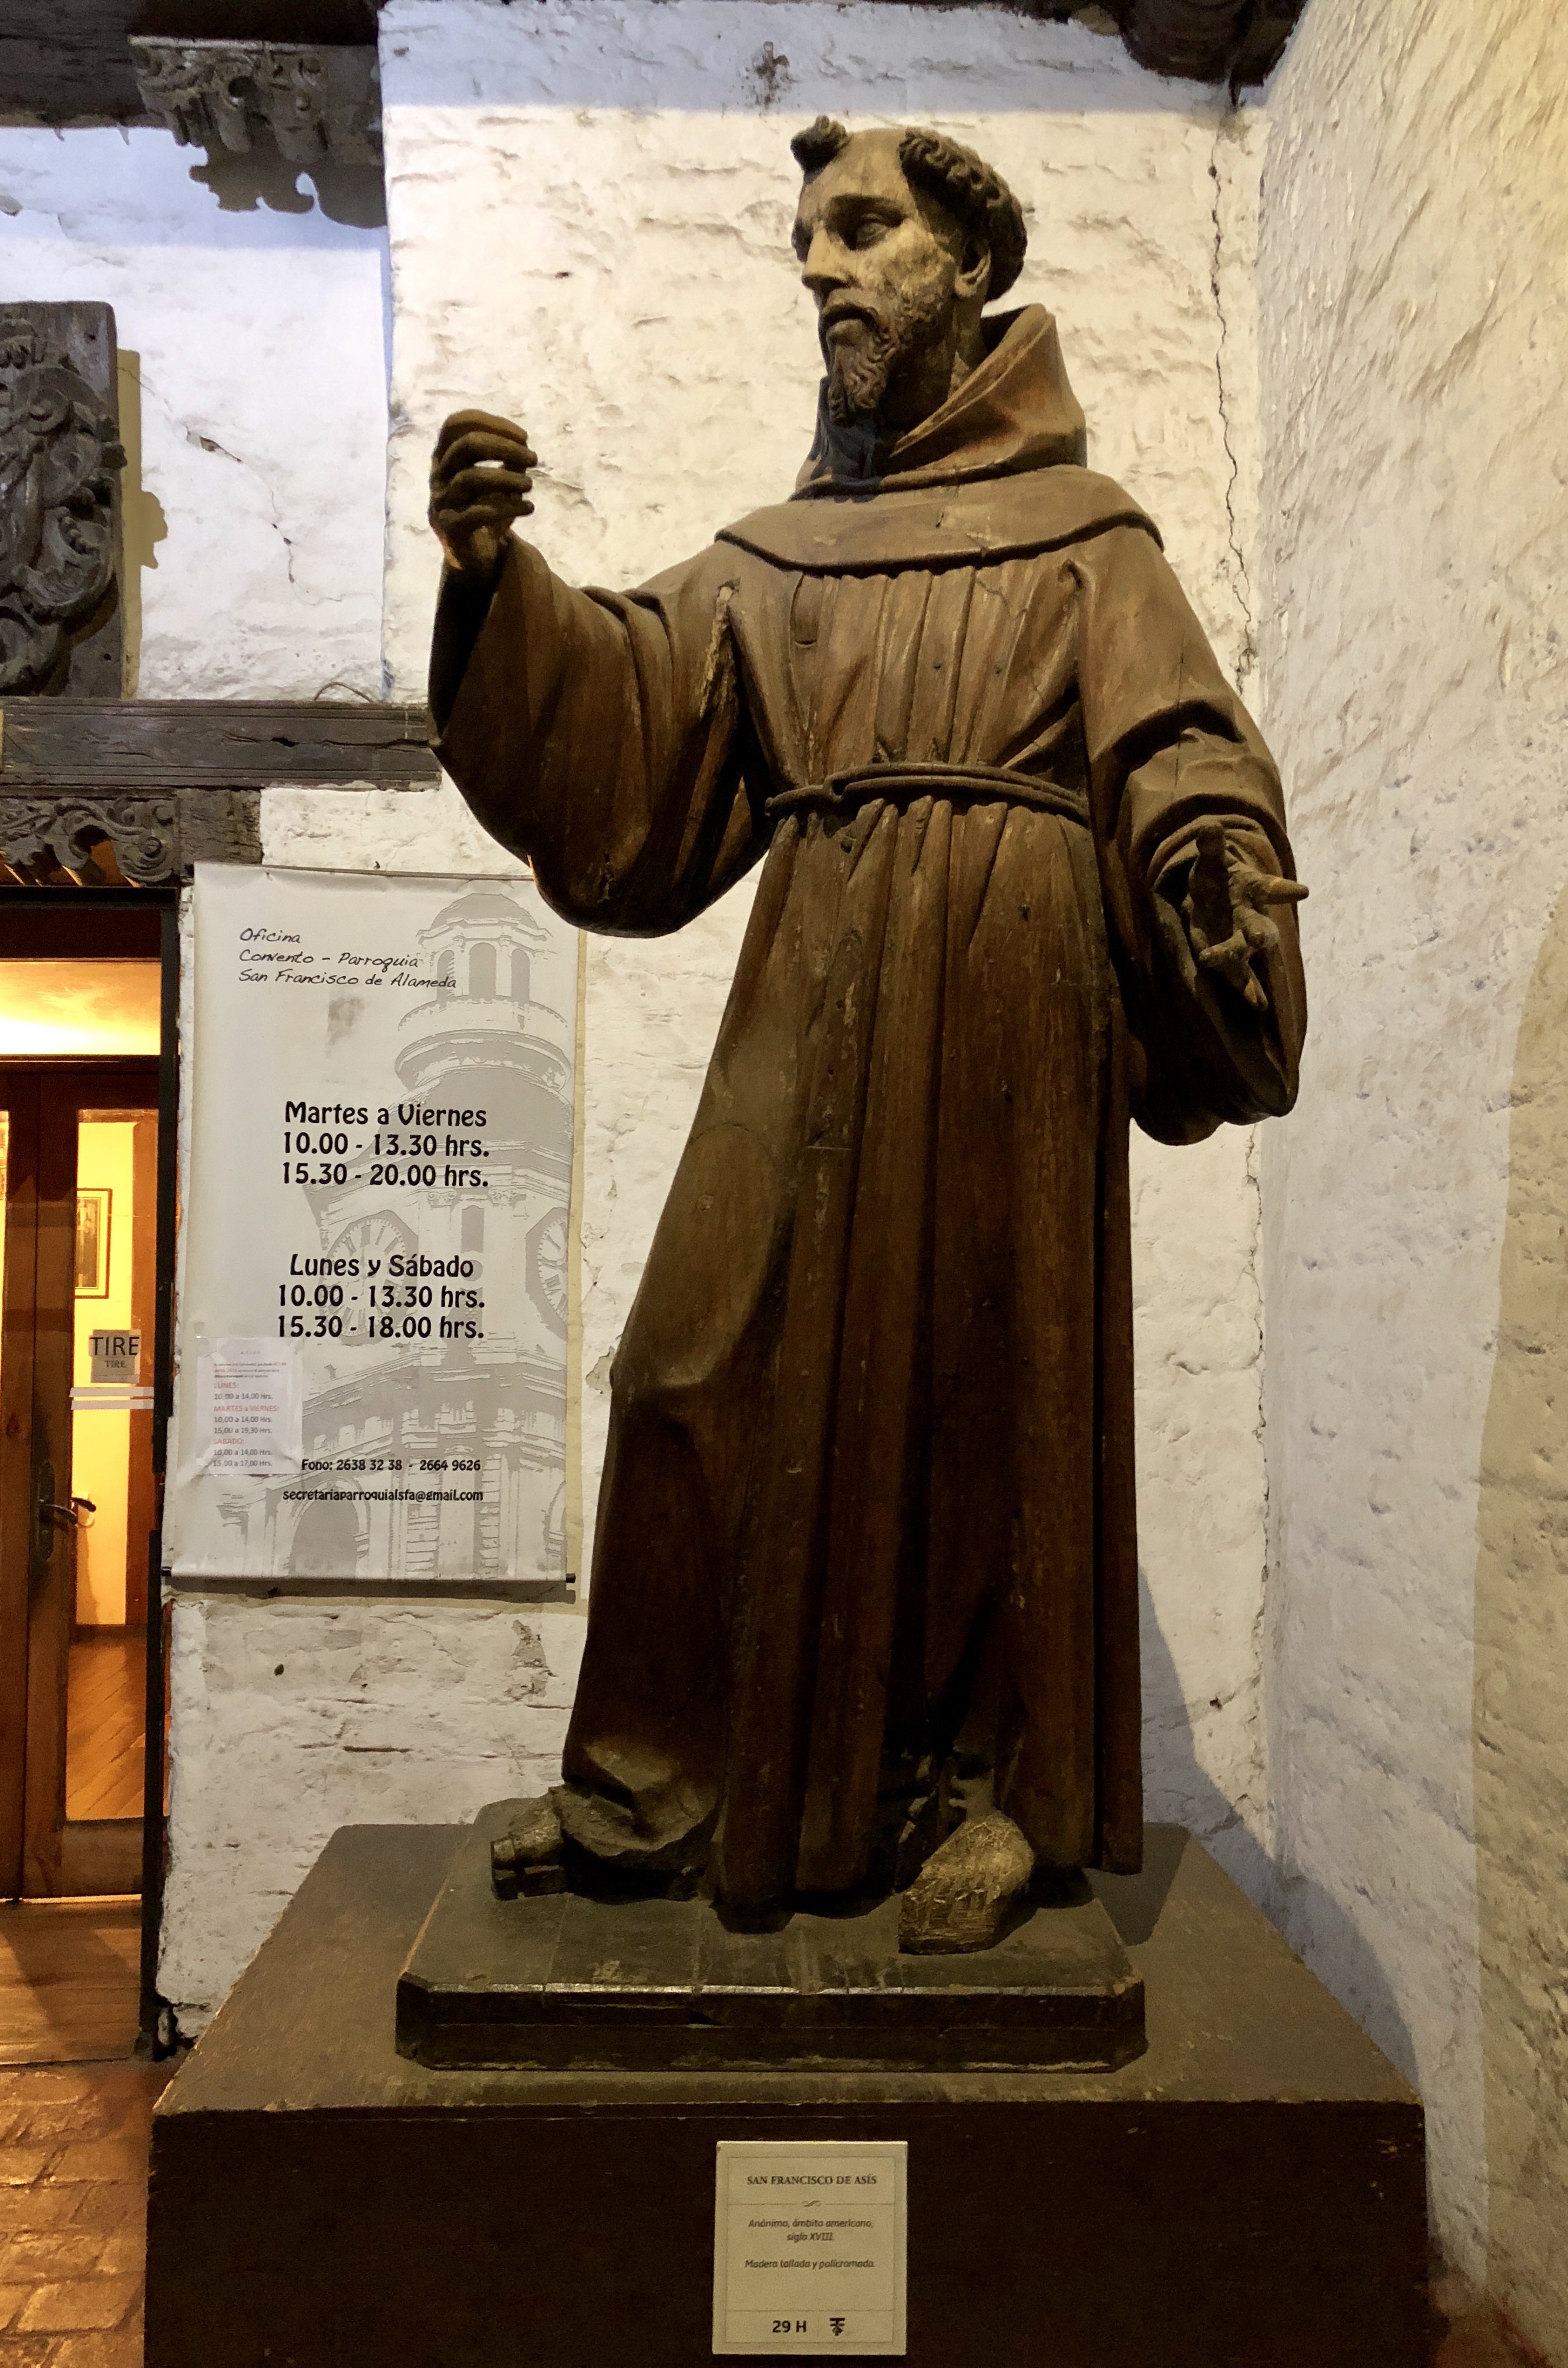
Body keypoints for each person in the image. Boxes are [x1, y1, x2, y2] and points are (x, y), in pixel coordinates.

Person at [427, 117, 1306, 1940]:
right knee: (689, 1362)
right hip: (818, 976)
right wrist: (495, 583)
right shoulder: (789, 553)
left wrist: (1210, 869)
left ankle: (1004, 1800)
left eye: (862, 228)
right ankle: (669, 1783)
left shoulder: (1088, 541)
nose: (822, 265)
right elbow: (631, 711)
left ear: (967, 262)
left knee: (998, 1389)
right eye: (808, 242)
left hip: (1015, 983)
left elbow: (1179, 745)